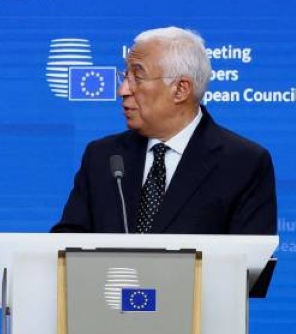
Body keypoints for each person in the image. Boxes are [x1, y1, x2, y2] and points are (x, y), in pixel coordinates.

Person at [52, 27, 276, 235]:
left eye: (137, 77)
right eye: (125, 77)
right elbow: (66, 247)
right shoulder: (103, 157)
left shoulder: (243, 163)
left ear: (180, 89)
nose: (122, 90)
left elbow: (249, 266)